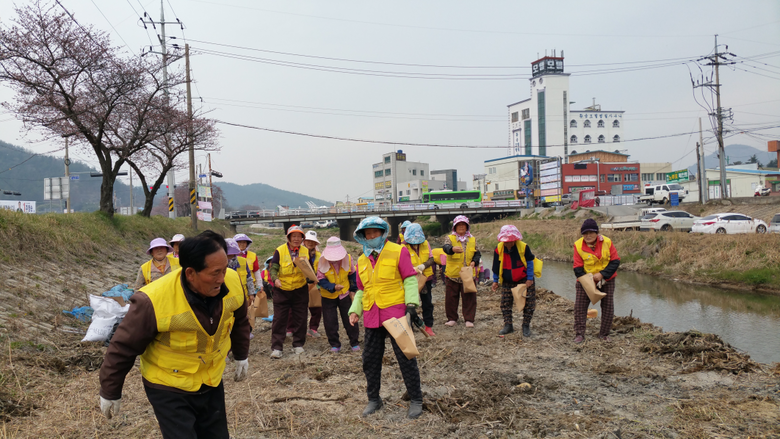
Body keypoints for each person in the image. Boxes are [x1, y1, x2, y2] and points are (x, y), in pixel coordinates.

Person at [98, 230, 250, 439]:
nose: (222, 279)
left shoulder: (231, 282)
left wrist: (242, 355)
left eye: (224, 269)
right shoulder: (152, 300)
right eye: (215, 273)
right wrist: (110, 391)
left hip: (210, 378)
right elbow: (123, 346)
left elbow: (241, 320)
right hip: (168, 384)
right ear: (190, 273)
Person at [348, 217, 423, 419]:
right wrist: (355, 311)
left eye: (375, 232)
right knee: (370, 360)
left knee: (406, 357)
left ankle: (416, 399)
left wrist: (411, 305)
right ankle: (374, 399)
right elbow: (362, 290)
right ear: (362, 236)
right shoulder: (362, 260)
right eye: (368, 234)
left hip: (396, 314)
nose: (371, 236)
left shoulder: (399, 251)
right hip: (372, 316)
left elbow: (409, 279)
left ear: (383, 233)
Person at [268, 225, 315, 358]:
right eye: (293, 236)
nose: (296, 239)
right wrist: (275, 279)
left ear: (302, 238)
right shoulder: (280, 250)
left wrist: (311, 278)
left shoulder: (306, 251)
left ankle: (298, 344)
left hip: (300, 289)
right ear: (288, 238)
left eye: (299, 236)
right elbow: (273, 268)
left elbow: (309, 269)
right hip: (282, 289)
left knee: (301, 317)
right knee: (279, 319)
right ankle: (277, 347)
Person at [573, 219, 620, 343]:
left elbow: (615, 261)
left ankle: (604, 334)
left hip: (607, 279)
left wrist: (602, 275)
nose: (588, 236)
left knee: (608, 306)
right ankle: (579, 334)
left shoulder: (607, 242)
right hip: (585, 280)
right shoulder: (578, 245)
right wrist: (589, 281)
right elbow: (577, 268)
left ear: (597, 233)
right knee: (579, 307)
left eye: (591, 233)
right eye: (585, 233)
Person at [491, 225, 536, 337]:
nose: (509, 244)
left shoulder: (524, 247)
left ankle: (525, 325)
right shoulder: (498, 249)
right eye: (506, 241)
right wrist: (495, 281)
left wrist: (530, 278)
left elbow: (530, 262)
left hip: (524, 278)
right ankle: (508, 325)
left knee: (529, 303)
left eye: (511, 241)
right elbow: (496, 266)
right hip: (507, 280)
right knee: (505, 304)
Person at [317, 237, 360, 352]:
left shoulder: (348, 259)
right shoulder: (322, 261)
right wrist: (333, 287)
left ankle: (354, 342)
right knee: (330, 320)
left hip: (345, 294)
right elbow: (321, 279)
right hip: (328, 296)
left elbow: (352, 274)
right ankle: (335, 344)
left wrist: (353, 289)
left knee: (350, 318)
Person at [442, 215, 480, 328]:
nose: (461, 227)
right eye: (459, 225)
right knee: (451, 298)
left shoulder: (472, 239)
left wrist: (474, 261)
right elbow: (445, 248)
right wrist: (452, 249)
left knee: (469, 298)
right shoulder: (450, 238)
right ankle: (452, 318)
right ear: (455, 227)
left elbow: (477, 253)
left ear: (467, 227)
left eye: (463, 225)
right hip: (453, 273)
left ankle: (469, 319)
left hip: (468, 274)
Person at [402, 223, 436, 337]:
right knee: (409, 303)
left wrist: (423, 265)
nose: (415, 243)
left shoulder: (426, 244)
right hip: (409, 279)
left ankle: (428, 326)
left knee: (427, 303)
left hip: (425, 278)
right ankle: (409, 326)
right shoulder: (402, 247)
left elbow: (432, 259)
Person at [287, 230, 323, 338]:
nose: (310, 243)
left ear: (316, 243)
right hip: (299, 284)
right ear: (304, 241)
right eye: (308, 241)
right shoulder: (296, 253)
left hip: (314, 284)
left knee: (316, 307)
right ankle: (291, 328)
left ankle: (313, 328)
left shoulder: (319, 256)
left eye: (312, 241)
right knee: (294, 308)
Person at [226, 238, 256, 335]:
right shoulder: (221, 263)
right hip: (227, 297)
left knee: (243, 316)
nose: (231, 257)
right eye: (229, 255)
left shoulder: (242, 261)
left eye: (233, 254)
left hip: (242, 296)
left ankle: (245, 333)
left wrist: (251, 293)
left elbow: (249, 278)